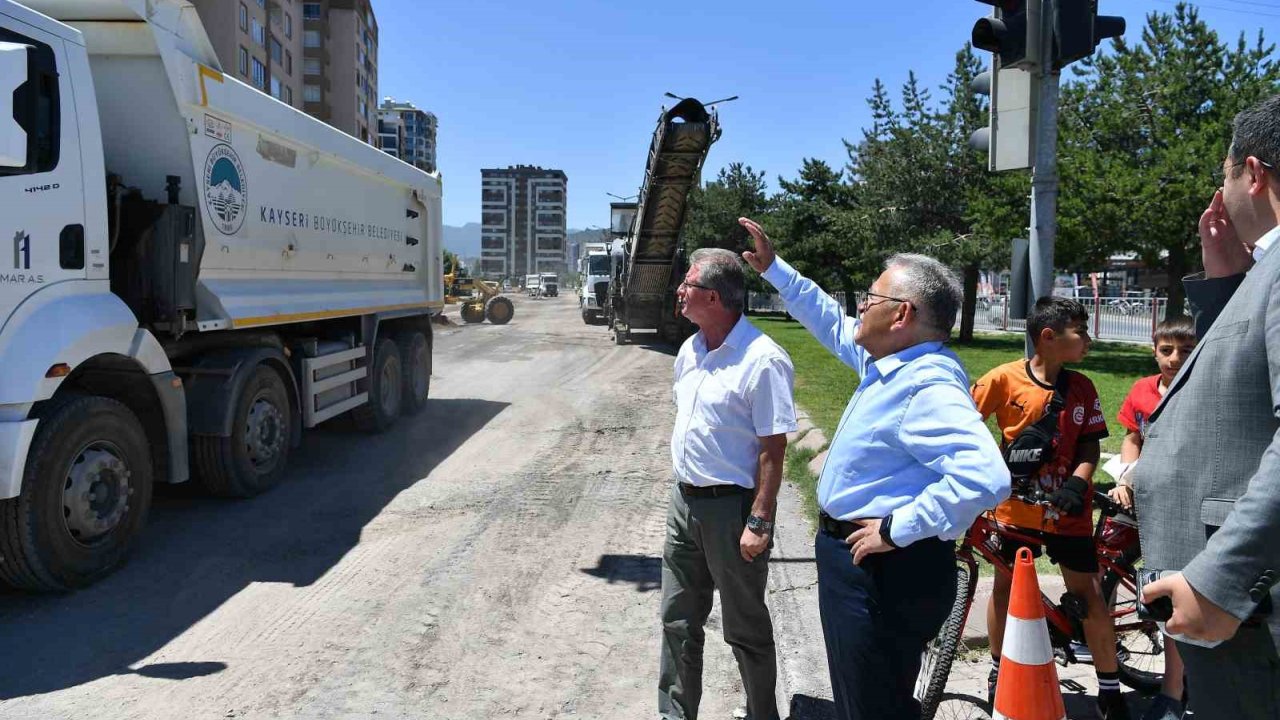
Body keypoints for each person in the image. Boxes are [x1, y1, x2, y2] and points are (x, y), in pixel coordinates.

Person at [738, 217, 1010, 720]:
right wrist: (775, 269)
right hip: (869, 563)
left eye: (872, 298)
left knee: (871, 706)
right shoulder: (892, 363)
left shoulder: (924, 384)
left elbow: (986, 477)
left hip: (883, 567)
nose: (861, 307)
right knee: (867, 697)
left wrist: (897, 528)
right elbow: (826, 318)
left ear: (902, 313)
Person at [1135, 93, 1280, 720]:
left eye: (1225, 177)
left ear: (1253, 172)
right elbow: (1242, 392)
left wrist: (1220, 580)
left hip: (1247, 607)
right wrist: (1225, 284)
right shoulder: (1265, 270)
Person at [971, 297, 1129, 719]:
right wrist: (989, 471)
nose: (1089, 340)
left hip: (1068, 515)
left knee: (1089, 593)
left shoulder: (1082, 387)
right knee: (1004, 590)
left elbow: (1090, 443)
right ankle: (997, 668)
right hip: (1012, 514)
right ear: (1048, 337)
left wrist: (1078, 484)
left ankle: (1110, 688)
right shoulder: (1003, 379)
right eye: (1081, 331)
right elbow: (966, 427)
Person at [659, 247, 797, 720]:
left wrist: (759, 520)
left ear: (713, 296)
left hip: (732, 511)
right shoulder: (690, 349)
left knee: (745, 630)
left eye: (688, 285)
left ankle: (762, 715)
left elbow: (772, 450)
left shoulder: (763, 360)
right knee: (677, 620)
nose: (679, 291)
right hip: (685, 503)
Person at [1103, 316, 1196, 720]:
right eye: (1166, 350)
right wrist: (1125, 477)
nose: (1175, 359)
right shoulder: (1143, 389)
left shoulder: (1200, 389)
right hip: (1141, 498)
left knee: (1169, 598)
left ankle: (1172, 694)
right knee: (1099, 561)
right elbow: (1131, 437)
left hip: (1180, 506)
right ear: (1153, 350)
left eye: (1186, 351)